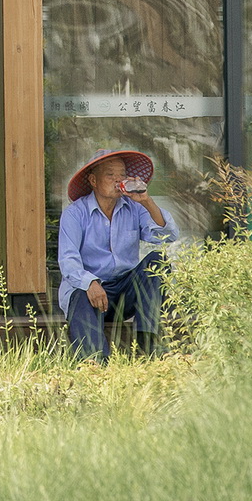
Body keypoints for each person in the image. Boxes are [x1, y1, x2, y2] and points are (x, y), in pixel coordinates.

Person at [57, 148, 178, 359]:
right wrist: (91, 283)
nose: (118, 180)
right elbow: (68, 260)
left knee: (158, 261)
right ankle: (95, 364)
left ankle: (146, 345)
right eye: (110, 175)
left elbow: (167, 236)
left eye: (122, 175)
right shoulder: (75, 213)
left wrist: (146, 201)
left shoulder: (134, 207)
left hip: (124, 291)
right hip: (90, 292)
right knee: (79, 292)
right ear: (93, 180)